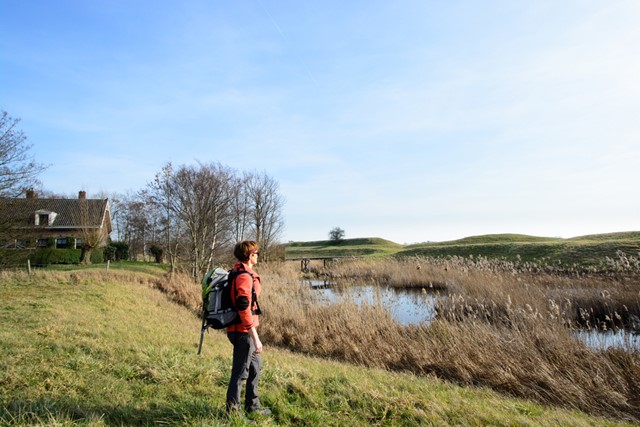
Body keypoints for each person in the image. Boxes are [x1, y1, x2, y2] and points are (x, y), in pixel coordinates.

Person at [226, 240, 271, 417]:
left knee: (255, 367)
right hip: (242, 331)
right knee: (239, 373)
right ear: (250, 255)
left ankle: (252, 406)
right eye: (256, 252)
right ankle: (233, 414)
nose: (258, 255)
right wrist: (255, 337)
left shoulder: (239, 271)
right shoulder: (244, 276)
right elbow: (243, 307)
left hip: (242, 330)